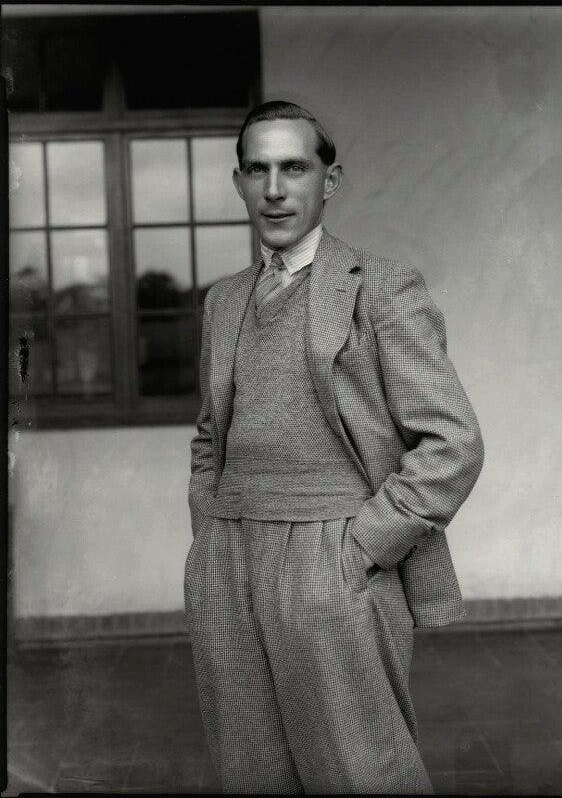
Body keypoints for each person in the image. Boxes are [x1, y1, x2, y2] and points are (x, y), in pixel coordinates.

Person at [185, 100, 484, 794]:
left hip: (334, 557)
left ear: (330, 179)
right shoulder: (223, 300)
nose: (274, 188)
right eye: (257, 170)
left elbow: (453, 441)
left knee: (361, 769)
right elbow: (209, 434)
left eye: (294, 167)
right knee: (251, 769)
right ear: (239, 182)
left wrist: (363, 545)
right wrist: (209, 537)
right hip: (228, 560)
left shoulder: (381, 287)